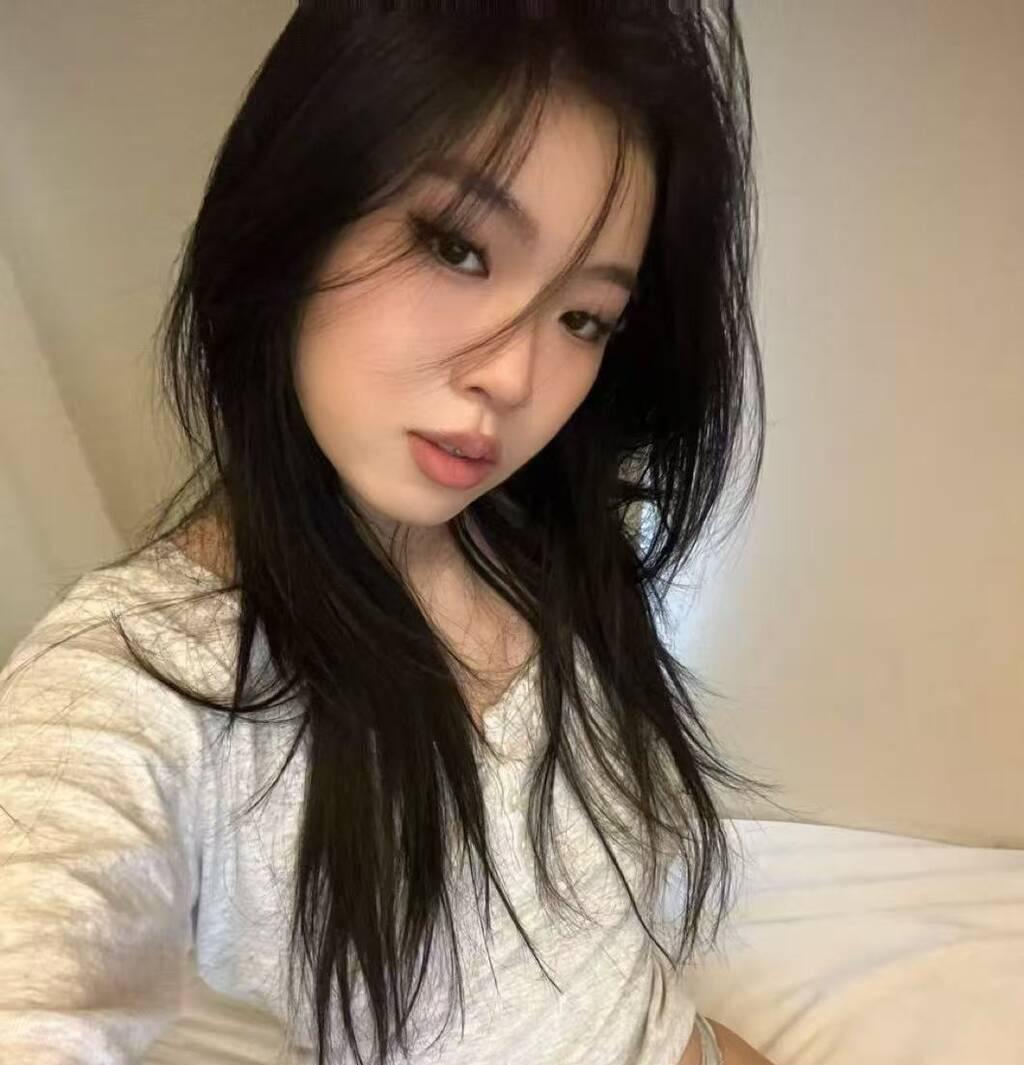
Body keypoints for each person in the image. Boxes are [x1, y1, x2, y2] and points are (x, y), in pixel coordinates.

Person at [0, 2, 778, 1063]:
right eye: (458, 248)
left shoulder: (546, 530)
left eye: (583, 316)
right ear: (295, 208)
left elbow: (608, 975)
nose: (516, 375)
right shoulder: (140, 683)